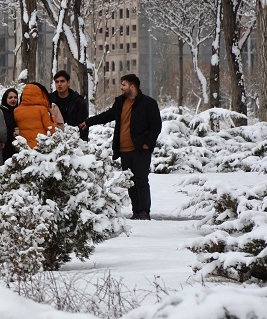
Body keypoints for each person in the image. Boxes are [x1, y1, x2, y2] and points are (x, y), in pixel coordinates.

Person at [79, 73, 162, 220]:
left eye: (123, 84)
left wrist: (147, 143)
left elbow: (156, 125)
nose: (121, 87)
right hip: (124, 150)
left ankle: (144, 212)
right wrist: (89, 122)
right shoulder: (120, 103)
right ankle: (136, 211)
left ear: (132, 86)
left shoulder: (148, 103)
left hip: (140, 149)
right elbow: (107, 115)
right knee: (130, 182)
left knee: (141, 180)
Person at [13, 82, 64, 149]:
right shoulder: (42, 109)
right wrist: (52, 117)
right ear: (38, 94)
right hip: (40, 146)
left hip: (25, 147)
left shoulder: (16, 111)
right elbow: (51, 130)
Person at [49, 70, 89, 141]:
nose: (59, 84)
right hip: (54, 139)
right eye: (57, 82)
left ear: (68, 82)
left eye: (62, 81)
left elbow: (83, 124)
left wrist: (83, 143)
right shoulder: (49, 100)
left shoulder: (78, 101)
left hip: (73, 139)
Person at [0, 87, 20, 160]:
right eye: (10, 97)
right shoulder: (1, 112)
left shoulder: (19, 111)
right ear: (6, 99)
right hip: (5, 146)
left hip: (17, 146)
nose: (13, 99)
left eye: (15, 97)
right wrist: (11, 133)